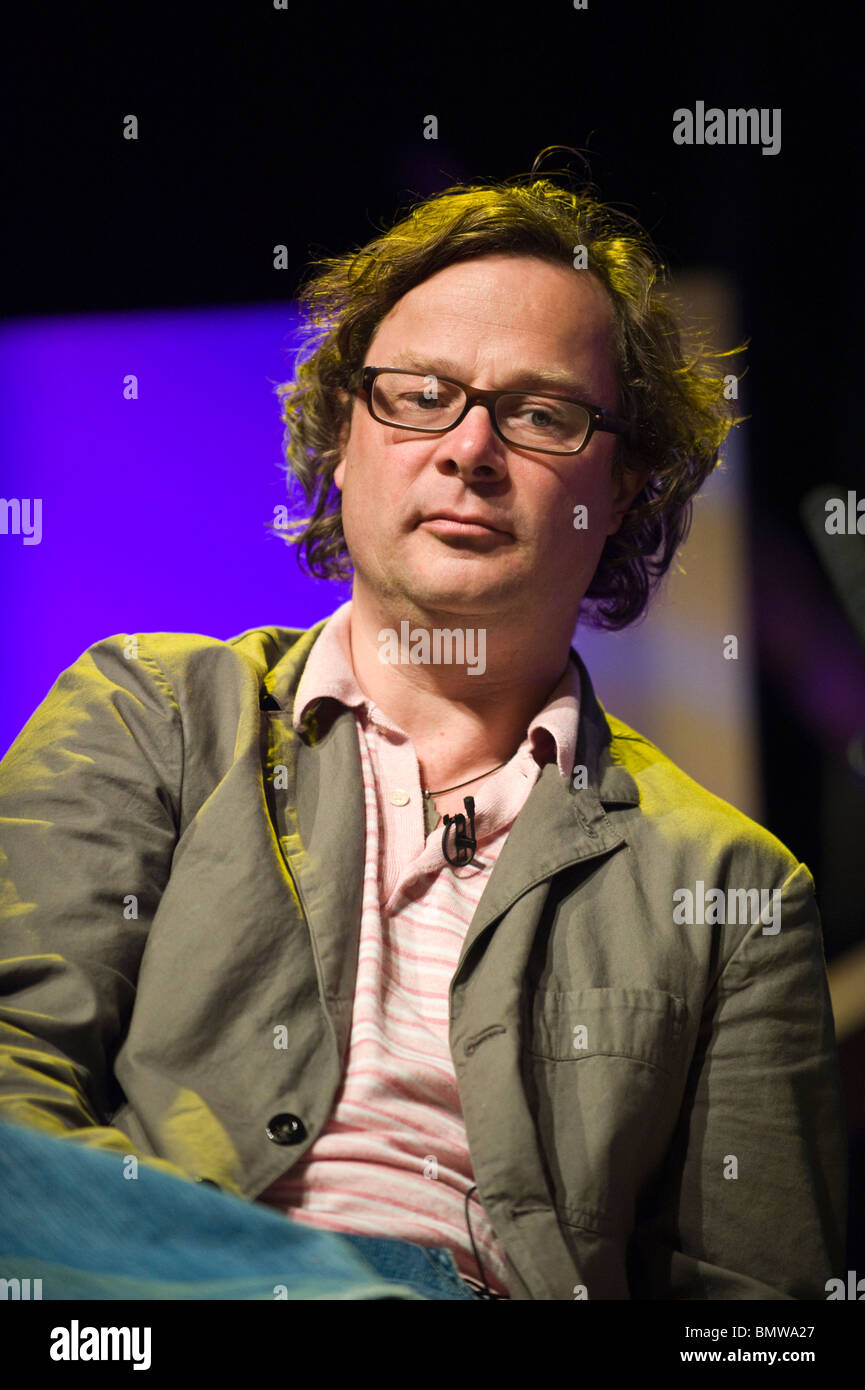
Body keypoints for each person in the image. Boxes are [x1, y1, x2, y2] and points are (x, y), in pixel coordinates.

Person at [0, 172, 847, 1301]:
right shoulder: (145, 711)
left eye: (540, 413)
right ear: (344, 438)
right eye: (418, 395)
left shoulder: (732, 885)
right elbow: (13, 1096)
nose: (469, 449)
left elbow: (753, 1313)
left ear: (622, 484)